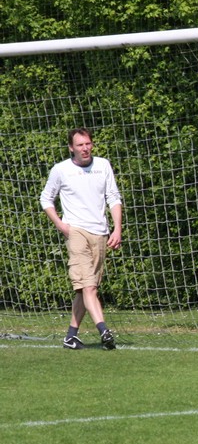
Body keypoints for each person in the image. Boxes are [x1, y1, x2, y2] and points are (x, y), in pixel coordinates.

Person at [39, 127, 123, 350]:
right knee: (89, 286)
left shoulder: (103, 165)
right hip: (75, 231)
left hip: (101, 232)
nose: (85, 148)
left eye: (88, 144)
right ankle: (104, 331)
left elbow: (113, 197)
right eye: (80, 145)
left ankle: (71, 336)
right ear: (71, 148)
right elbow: (46, 199)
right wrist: (61, 225)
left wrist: (117, 229)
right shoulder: (61, 170)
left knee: (86, 289)